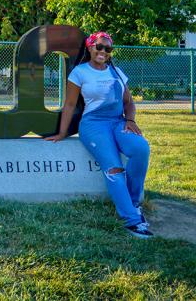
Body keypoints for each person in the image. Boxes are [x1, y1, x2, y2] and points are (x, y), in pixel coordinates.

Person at [45, 32, 152, 238]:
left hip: (118, 122)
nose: (103, 51)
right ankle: (132, 220)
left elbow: (128, 102)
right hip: (93, 125)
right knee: (113, 169)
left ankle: (133, 202)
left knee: (141, 149)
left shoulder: (117, 72)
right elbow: (69, 104)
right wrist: (62, 132)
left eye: (107, 48)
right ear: (90, 47)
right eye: (99, 47)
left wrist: (130, 120)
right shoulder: (80, 72)